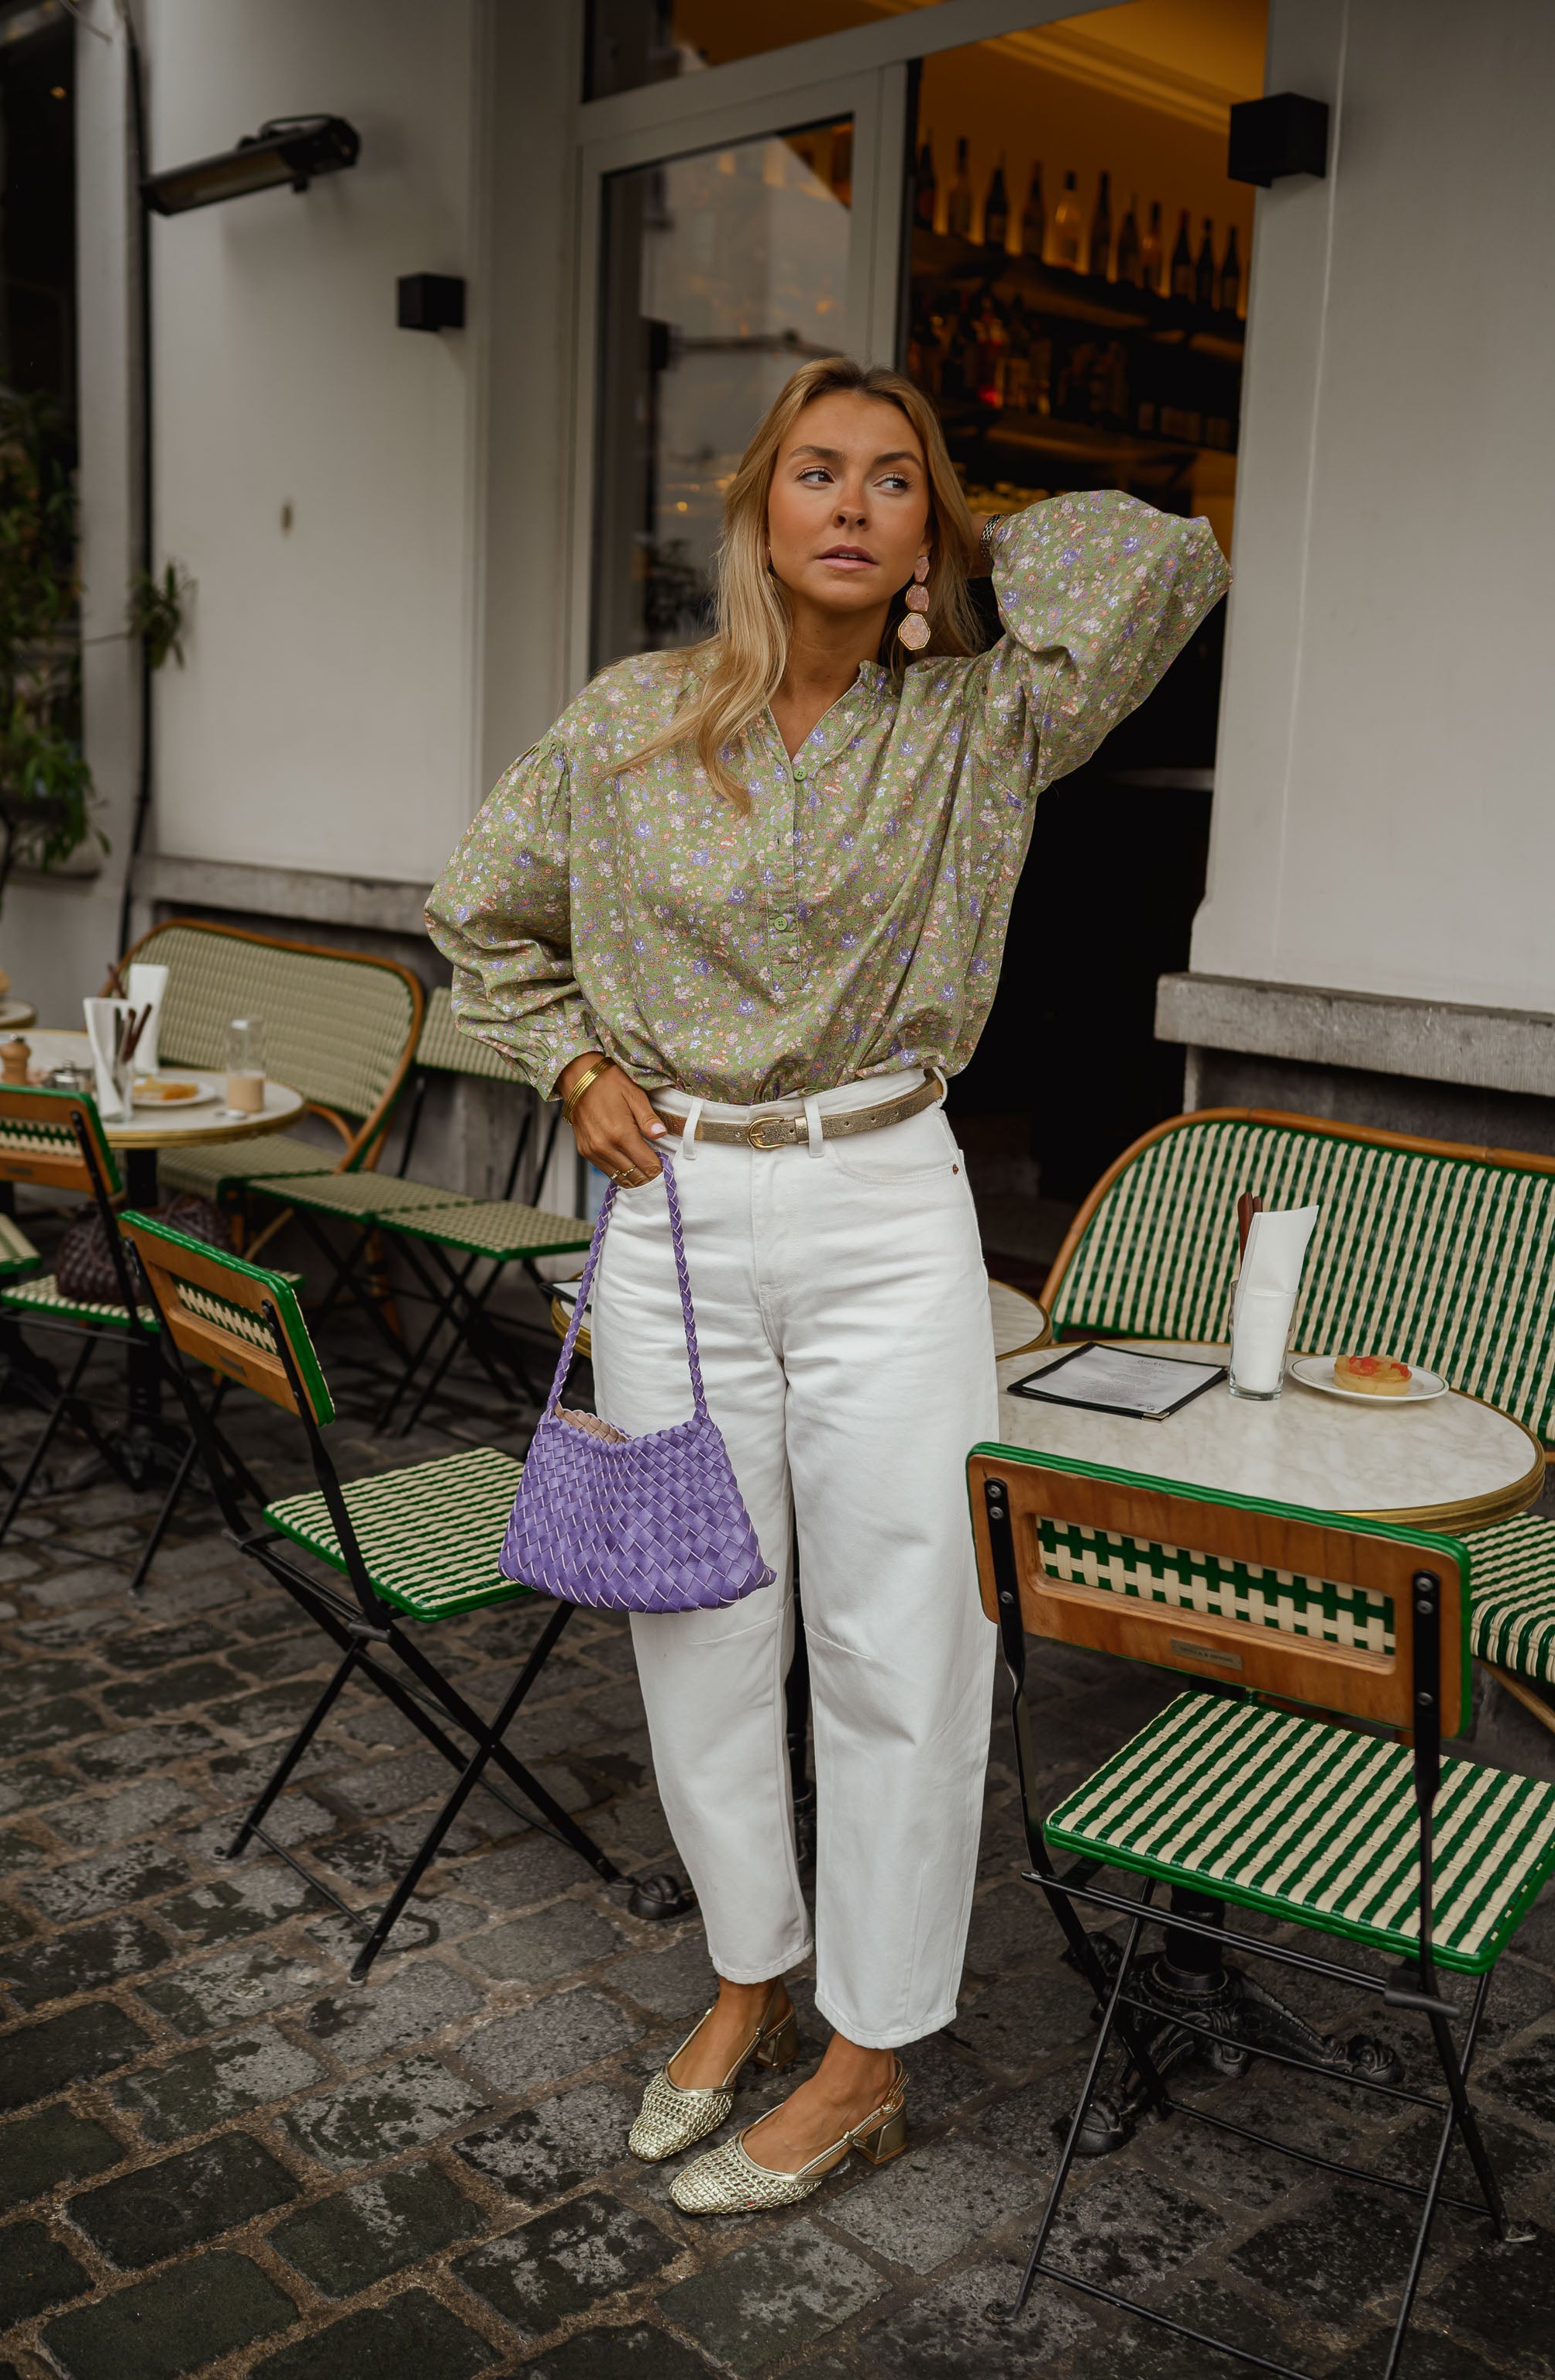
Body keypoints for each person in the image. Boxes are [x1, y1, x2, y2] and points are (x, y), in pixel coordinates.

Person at [427, 355, 1228, 2214]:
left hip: (881, 1204)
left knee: (899, 1633)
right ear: (753, 508)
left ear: (930, 521)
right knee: (700, 1626)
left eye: (891, 478)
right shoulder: (631, 717)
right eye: (815, 473)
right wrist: (569, 1061)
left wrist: (969, 541)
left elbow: (1165, 557)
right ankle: (748, 1977)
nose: (852, 505)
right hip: (677, 1208)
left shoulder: (982, 718)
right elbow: (480, 912)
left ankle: (868, 2052)